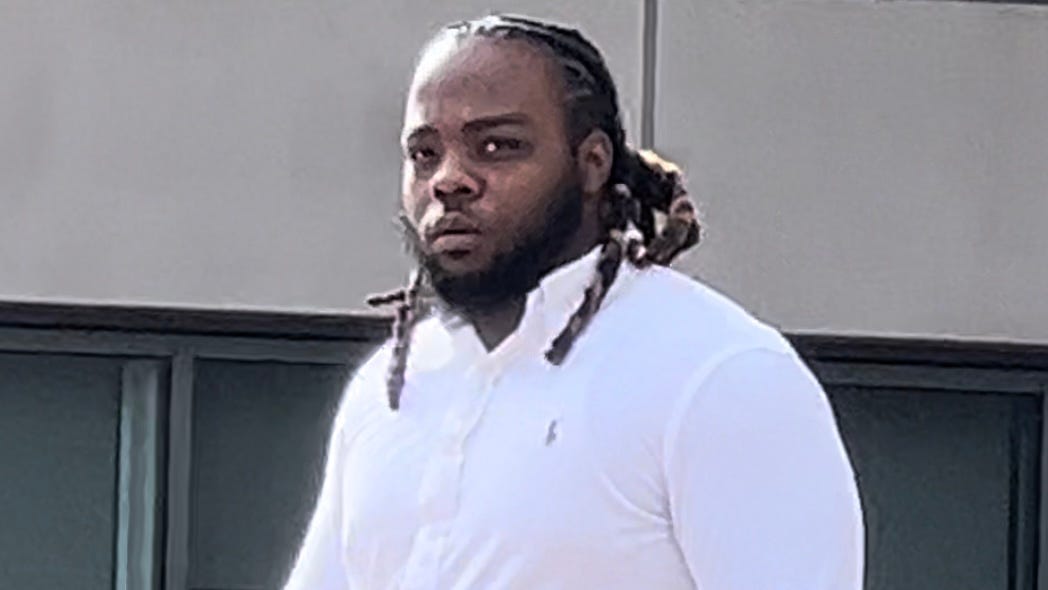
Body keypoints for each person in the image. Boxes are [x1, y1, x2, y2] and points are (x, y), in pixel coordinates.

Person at [284, 13, 863, 590]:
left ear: (592, 164)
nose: (449, 179)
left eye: (497, 146)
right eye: (424, 153)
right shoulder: (387, 390)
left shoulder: (719, 375)